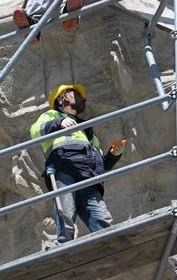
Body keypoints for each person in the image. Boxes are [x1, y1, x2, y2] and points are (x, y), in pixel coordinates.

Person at [29, 83, 127, 243]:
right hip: (64, 168)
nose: (81, 97)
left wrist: (112, 155)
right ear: (62, 98)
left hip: (89, 176)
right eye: (74, 93)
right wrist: (59, 123)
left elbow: (100, 165)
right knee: (66, 210)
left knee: (101, 217)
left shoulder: (86, 130)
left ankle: (110, 244)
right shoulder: (52, 115)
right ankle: (64, 244)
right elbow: (35, 132)